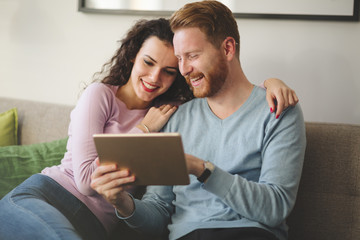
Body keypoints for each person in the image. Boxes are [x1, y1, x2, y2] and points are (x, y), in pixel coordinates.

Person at [0, 17, 297, 240]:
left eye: (170, 71)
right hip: (47, 196)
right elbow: (86, 182)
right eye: (148, 62)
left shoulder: (172, 113)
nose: (155, 77)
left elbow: (226, 90)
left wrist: (272, 83)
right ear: (132, 55)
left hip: (93, 226)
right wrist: (143, 129)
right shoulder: (101, 95)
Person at [90, 1, 306, 240]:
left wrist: (202, 170)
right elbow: (158, 215)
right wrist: (122, 202)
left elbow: (274, 207)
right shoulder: (176, 118)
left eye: (192, 56)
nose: (184, 69)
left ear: (227, 49)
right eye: (180, 59)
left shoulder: (278, 110)